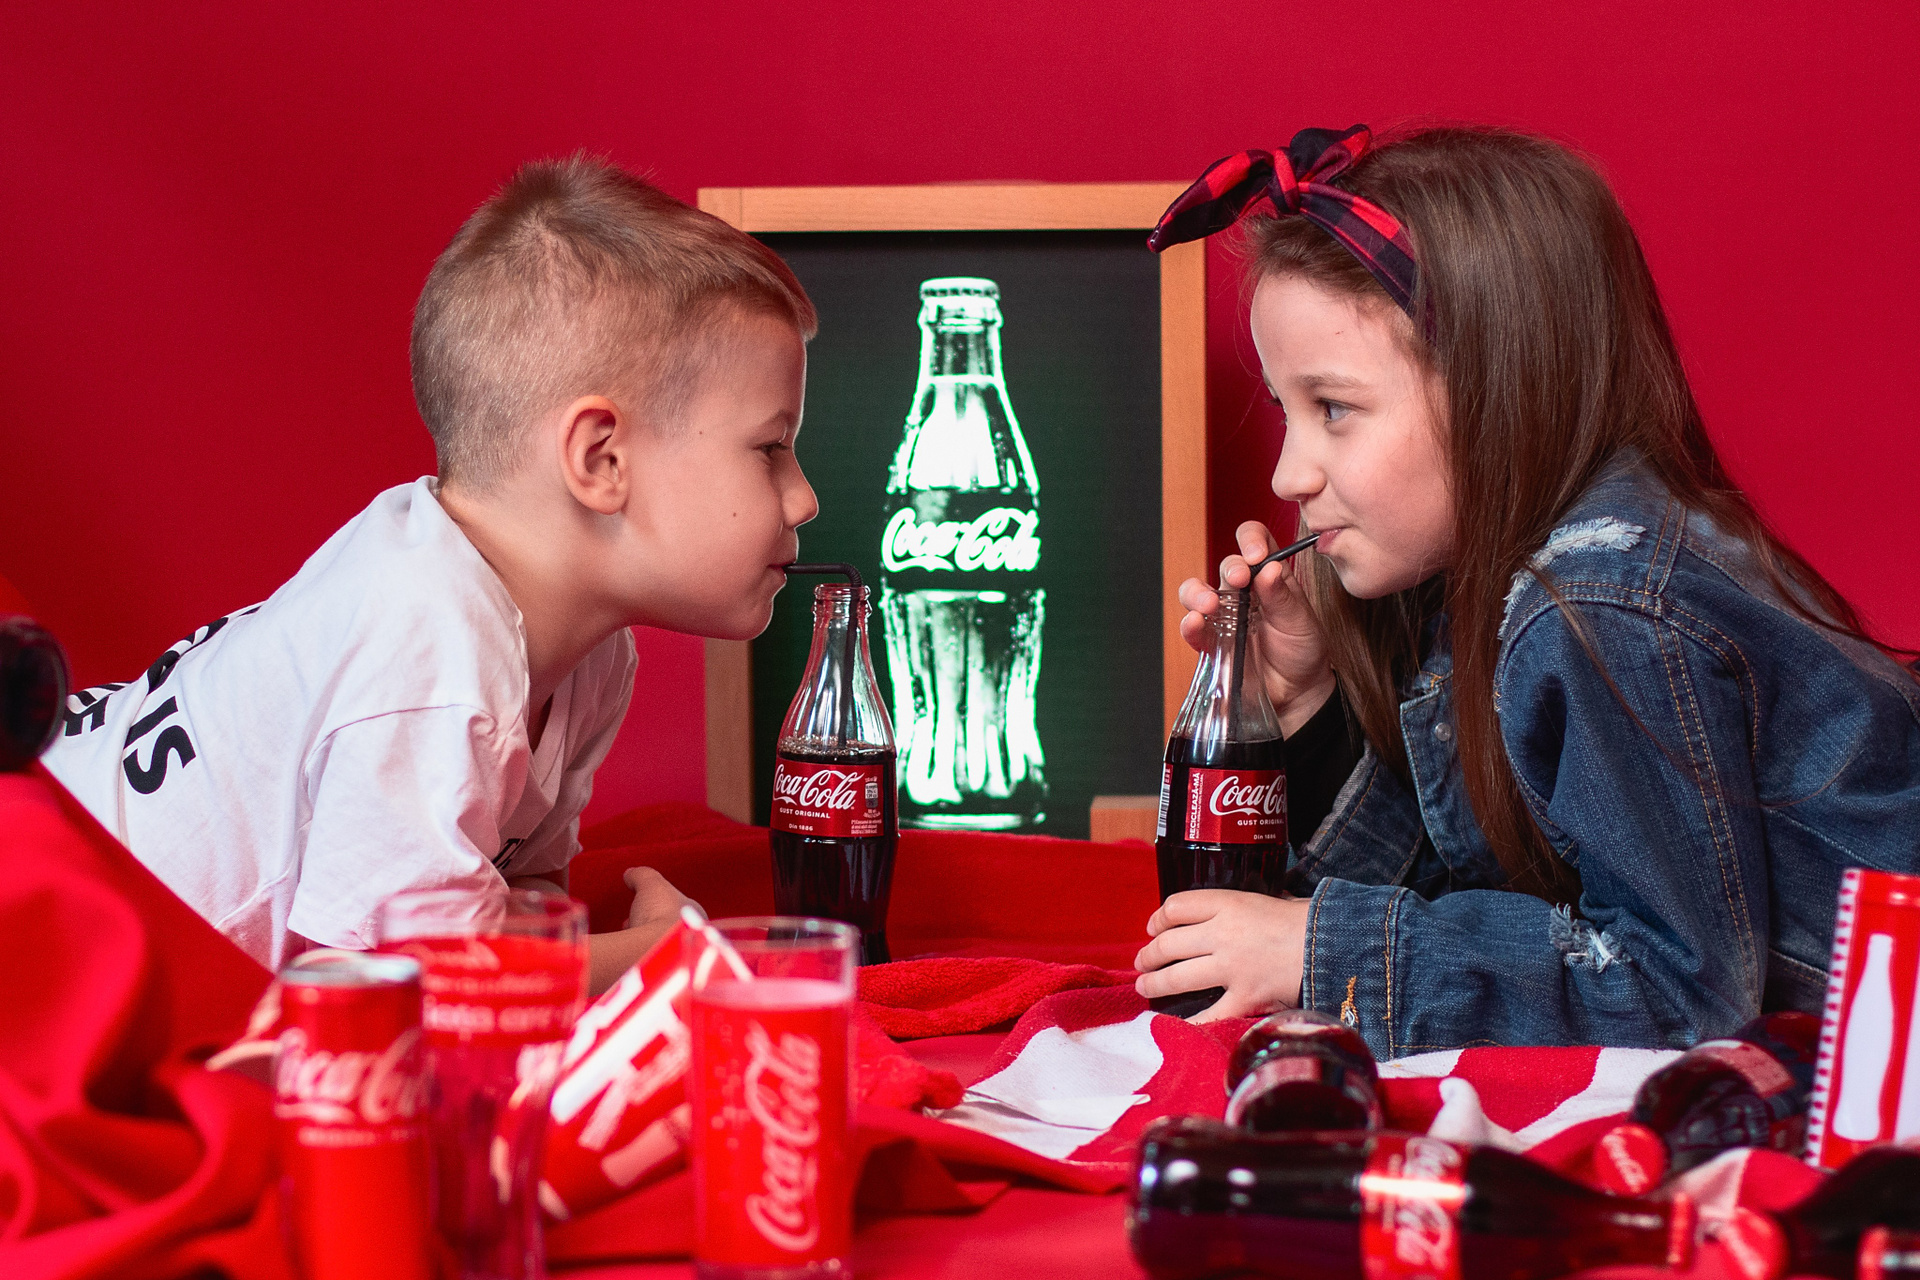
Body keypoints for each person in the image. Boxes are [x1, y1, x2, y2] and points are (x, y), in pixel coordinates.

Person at [1133, 126, 1920, 1054]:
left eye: (1333, 408)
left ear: (1498, 389)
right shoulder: (1485, 578)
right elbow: (1491, 890)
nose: (1288, 474)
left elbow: (1680, 995)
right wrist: (1309, 708)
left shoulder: (1600, 607)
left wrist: (1322, 948)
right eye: (1285, 409)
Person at [44, 156, 819, 992]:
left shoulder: (592, 656)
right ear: (601, 459)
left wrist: (541, 944)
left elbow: (517, 898)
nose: (805, 498)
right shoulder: (430, 653)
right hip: (43, 899)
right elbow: (395, 989)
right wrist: (661, 955)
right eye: (770, 448)